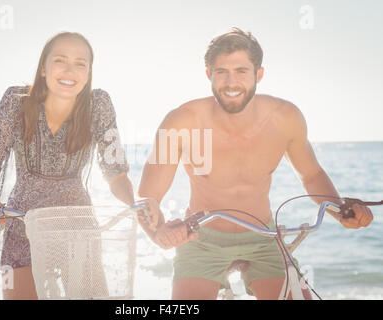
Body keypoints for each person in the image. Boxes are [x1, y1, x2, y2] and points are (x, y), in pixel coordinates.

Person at [137, 27, 374, 300]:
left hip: (263, 237)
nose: (231, 82)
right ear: (208, 75)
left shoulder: (285, 117)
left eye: (241, 71)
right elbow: (147, 197)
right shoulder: (181, 121)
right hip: (200, 239)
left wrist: (340, 210)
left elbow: (311, 174)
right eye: (221, 72)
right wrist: (158, 233)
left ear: (258, 74)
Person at [0, 32, 136, 299]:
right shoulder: (16, 101)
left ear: (89, 72)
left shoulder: (99, 105)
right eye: (60, 60)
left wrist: (135, 203)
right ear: (43, 68)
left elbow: (115, 172)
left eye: (80, 63)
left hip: (76, 226)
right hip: (22, 222)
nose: (70, 70)